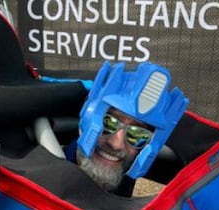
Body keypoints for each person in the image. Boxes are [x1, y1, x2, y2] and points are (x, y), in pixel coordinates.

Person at [64, 61, 187, 197]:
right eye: (108, 122)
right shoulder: (43, 178)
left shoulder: (124, 182)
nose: (116, 144)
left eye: (137, 134)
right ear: (88, 116)